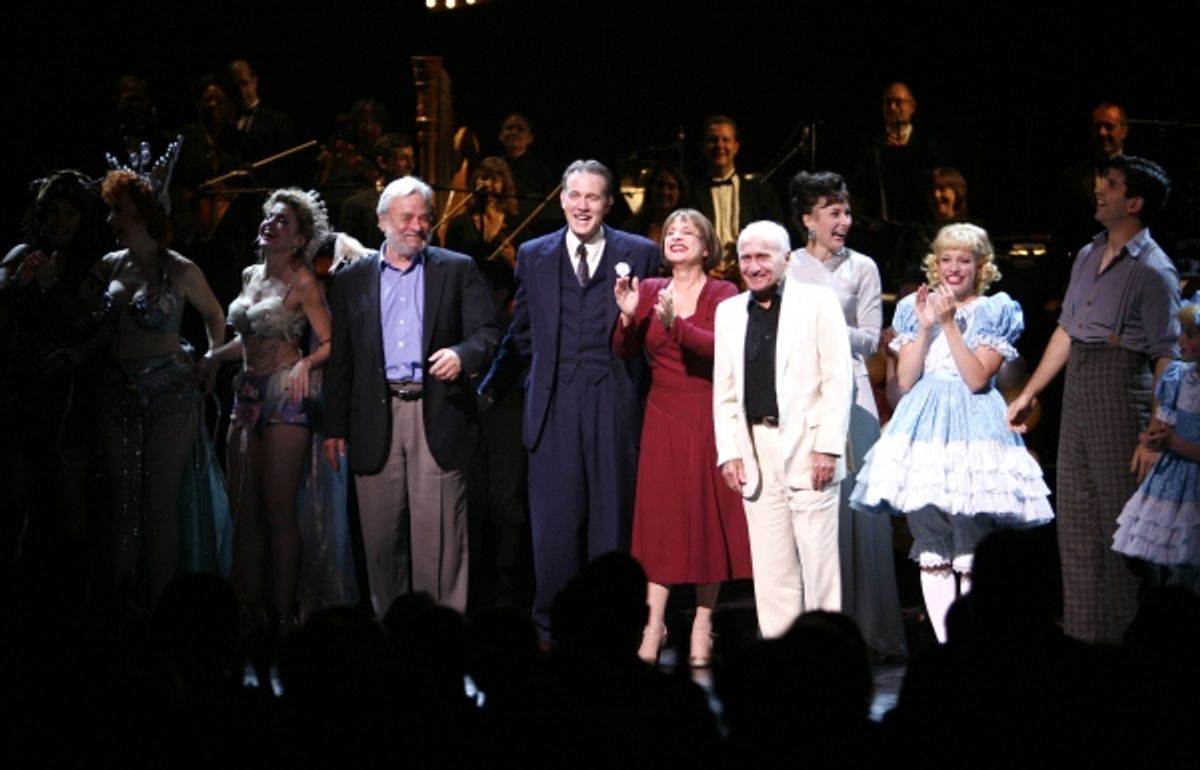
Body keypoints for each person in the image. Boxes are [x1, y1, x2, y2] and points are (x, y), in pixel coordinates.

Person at [482, 159, 661, 634]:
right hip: (554, 403)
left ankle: (613, 628)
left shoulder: (641, 253)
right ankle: (551, 630)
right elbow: (522, 334)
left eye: (593, 197)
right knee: (554, 528)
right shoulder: (533, 254)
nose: (583, 206)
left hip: (614, 399)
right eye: (575, 196)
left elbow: (652, 333)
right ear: (561, 199)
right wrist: (490, 388)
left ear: (608, 203)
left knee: (612, 525)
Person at [1008, 155, 1180, 644]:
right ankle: (1085, 645)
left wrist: (1155, 432)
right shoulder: (1087, 254)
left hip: (1121, 389)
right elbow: (1067, 329)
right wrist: (1031, 392)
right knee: (1077, 525)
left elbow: (1167, 357)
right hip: (1080, 388)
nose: (1100, 190)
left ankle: (1132, 646)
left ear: (1135, 202)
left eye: (1112, 184)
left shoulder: (1155, 270)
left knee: (1121, 531)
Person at [852, 223, 1053, 642]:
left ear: (981, 265)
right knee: (931, 541)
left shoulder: (995, 310)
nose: (954, 268)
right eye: (946, 259)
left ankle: (972, 643)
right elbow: (906, 380)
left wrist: (949, 325)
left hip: (972, 426)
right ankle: (947, 645)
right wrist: (926, 326)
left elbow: (977, 378)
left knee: (970, 541)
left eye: (964, 260)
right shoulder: (913, 308)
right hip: (923, 429)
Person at [323, 175, 499, 615]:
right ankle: (392, 637)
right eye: (407, 218)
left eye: (424, 218)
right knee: (381, 544)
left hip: (437, 414)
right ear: (382, 220)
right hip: (375, 419)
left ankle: (441, 637)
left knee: (438, 545)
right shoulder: (351, 280)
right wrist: (335, 426)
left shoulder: (457, 269)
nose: (417, 227)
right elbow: (341, 358)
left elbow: (488, 333)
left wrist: (461, 354)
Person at [612, 208, 752, 665]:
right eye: (670, 230)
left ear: (706, 248)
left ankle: (703, 623)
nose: (676, 236)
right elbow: (623, 350)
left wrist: (677, 325)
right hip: (663, 413)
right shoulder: (651, 288)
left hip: (710, 410)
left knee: (708, 517)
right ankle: (653, 625)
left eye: (687, 232)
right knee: (661, 522)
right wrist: (627, 318)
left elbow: (720, 349)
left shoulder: (723, 293)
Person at [92, 150, 231, 604]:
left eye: (118, 210)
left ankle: (158, 606)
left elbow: (216, 316)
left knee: (159, 504)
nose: (111, 218)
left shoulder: (182, 269)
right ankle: (123, 605)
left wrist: (211, 359)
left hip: (169, 391)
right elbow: (86, 321)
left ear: (143, 213)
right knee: (122, 504)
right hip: (118, 389)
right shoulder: (109, 264)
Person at [198, 189, 334, 623]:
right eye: (270, 217)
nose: (271, 225)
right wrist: (212, 356)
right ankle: (248, 608)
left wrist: (305, 364)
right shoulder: (249, 274)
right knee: (244, 508)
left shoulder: (303, 281)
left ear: (299, 239)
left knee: (278, 509)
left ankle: (283, 615)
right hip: (248, 393)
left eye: (283, 221)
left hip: (285, 395)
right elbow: (247, 340)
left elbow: (329, 341)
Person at [787, 171, 907, 658]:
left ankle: (870, 631)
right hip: (803, 393)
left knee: (859, 513)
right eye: (834, 213)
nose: (845, 222)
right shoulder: (788, 265)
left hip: (854, 393)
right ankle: (817, 631)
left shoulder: (862, 267)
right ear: (808, 219)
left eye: (847, 212)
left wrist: (822, 321)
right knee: (816, 512)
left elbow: (871, 338)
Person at [712, 220, 853, 638]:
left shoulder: (818, 302)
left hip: (810, 448)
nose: (753, 266)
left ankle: (827, 653)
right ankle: (780, 656)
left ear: (787, 259)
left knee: (819, 567)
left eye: (763, 256)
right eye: (746, 258)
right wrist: (729, 451)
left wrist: (828, 447)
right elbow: (725, 391)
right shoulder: (729, 312)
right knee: (772, 571)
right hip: (756, 450)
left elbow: (838, 380)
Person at [0, 170, 109, 578]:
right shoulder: (21, 255)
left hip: (69, 396)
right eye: (52, 212)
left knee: (69, 502)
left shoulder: (92, 265)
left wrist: (51, 287)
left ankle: (66, 591)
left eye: (69, 212)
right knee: (16, 495)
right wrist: (17, 286)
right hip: (21, 390)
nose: (59, 222)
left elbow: (88, 326)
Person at [1112, 296, 1200, 590]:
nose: (1181, 339)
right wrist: (1156, 439)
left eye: (1190, 334)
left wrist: (1172, 442)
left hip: (1193, 477)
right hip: (1176, 478)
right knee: (1178, 563)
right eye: (1181, 332)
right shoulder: (1179, 378)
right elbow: (1166, 424)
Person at [688, 116, 784, 277]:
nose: (720, 145)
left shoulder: (760, 192)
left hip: (750, 278)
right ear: (703, 147)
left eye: (725, 140)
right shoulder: (690, 194)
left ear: (736, 147)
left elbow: (777, 236)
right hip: (704, 278)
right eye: (713, 140)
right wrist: (702, 267)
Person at [622, 163, 690, 245]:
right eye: (660, 186)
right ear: (651, 189)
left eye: (671, 187)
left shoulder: (691, 230)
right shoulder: (634, 228)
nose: (665, 192)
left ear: (680, 193)